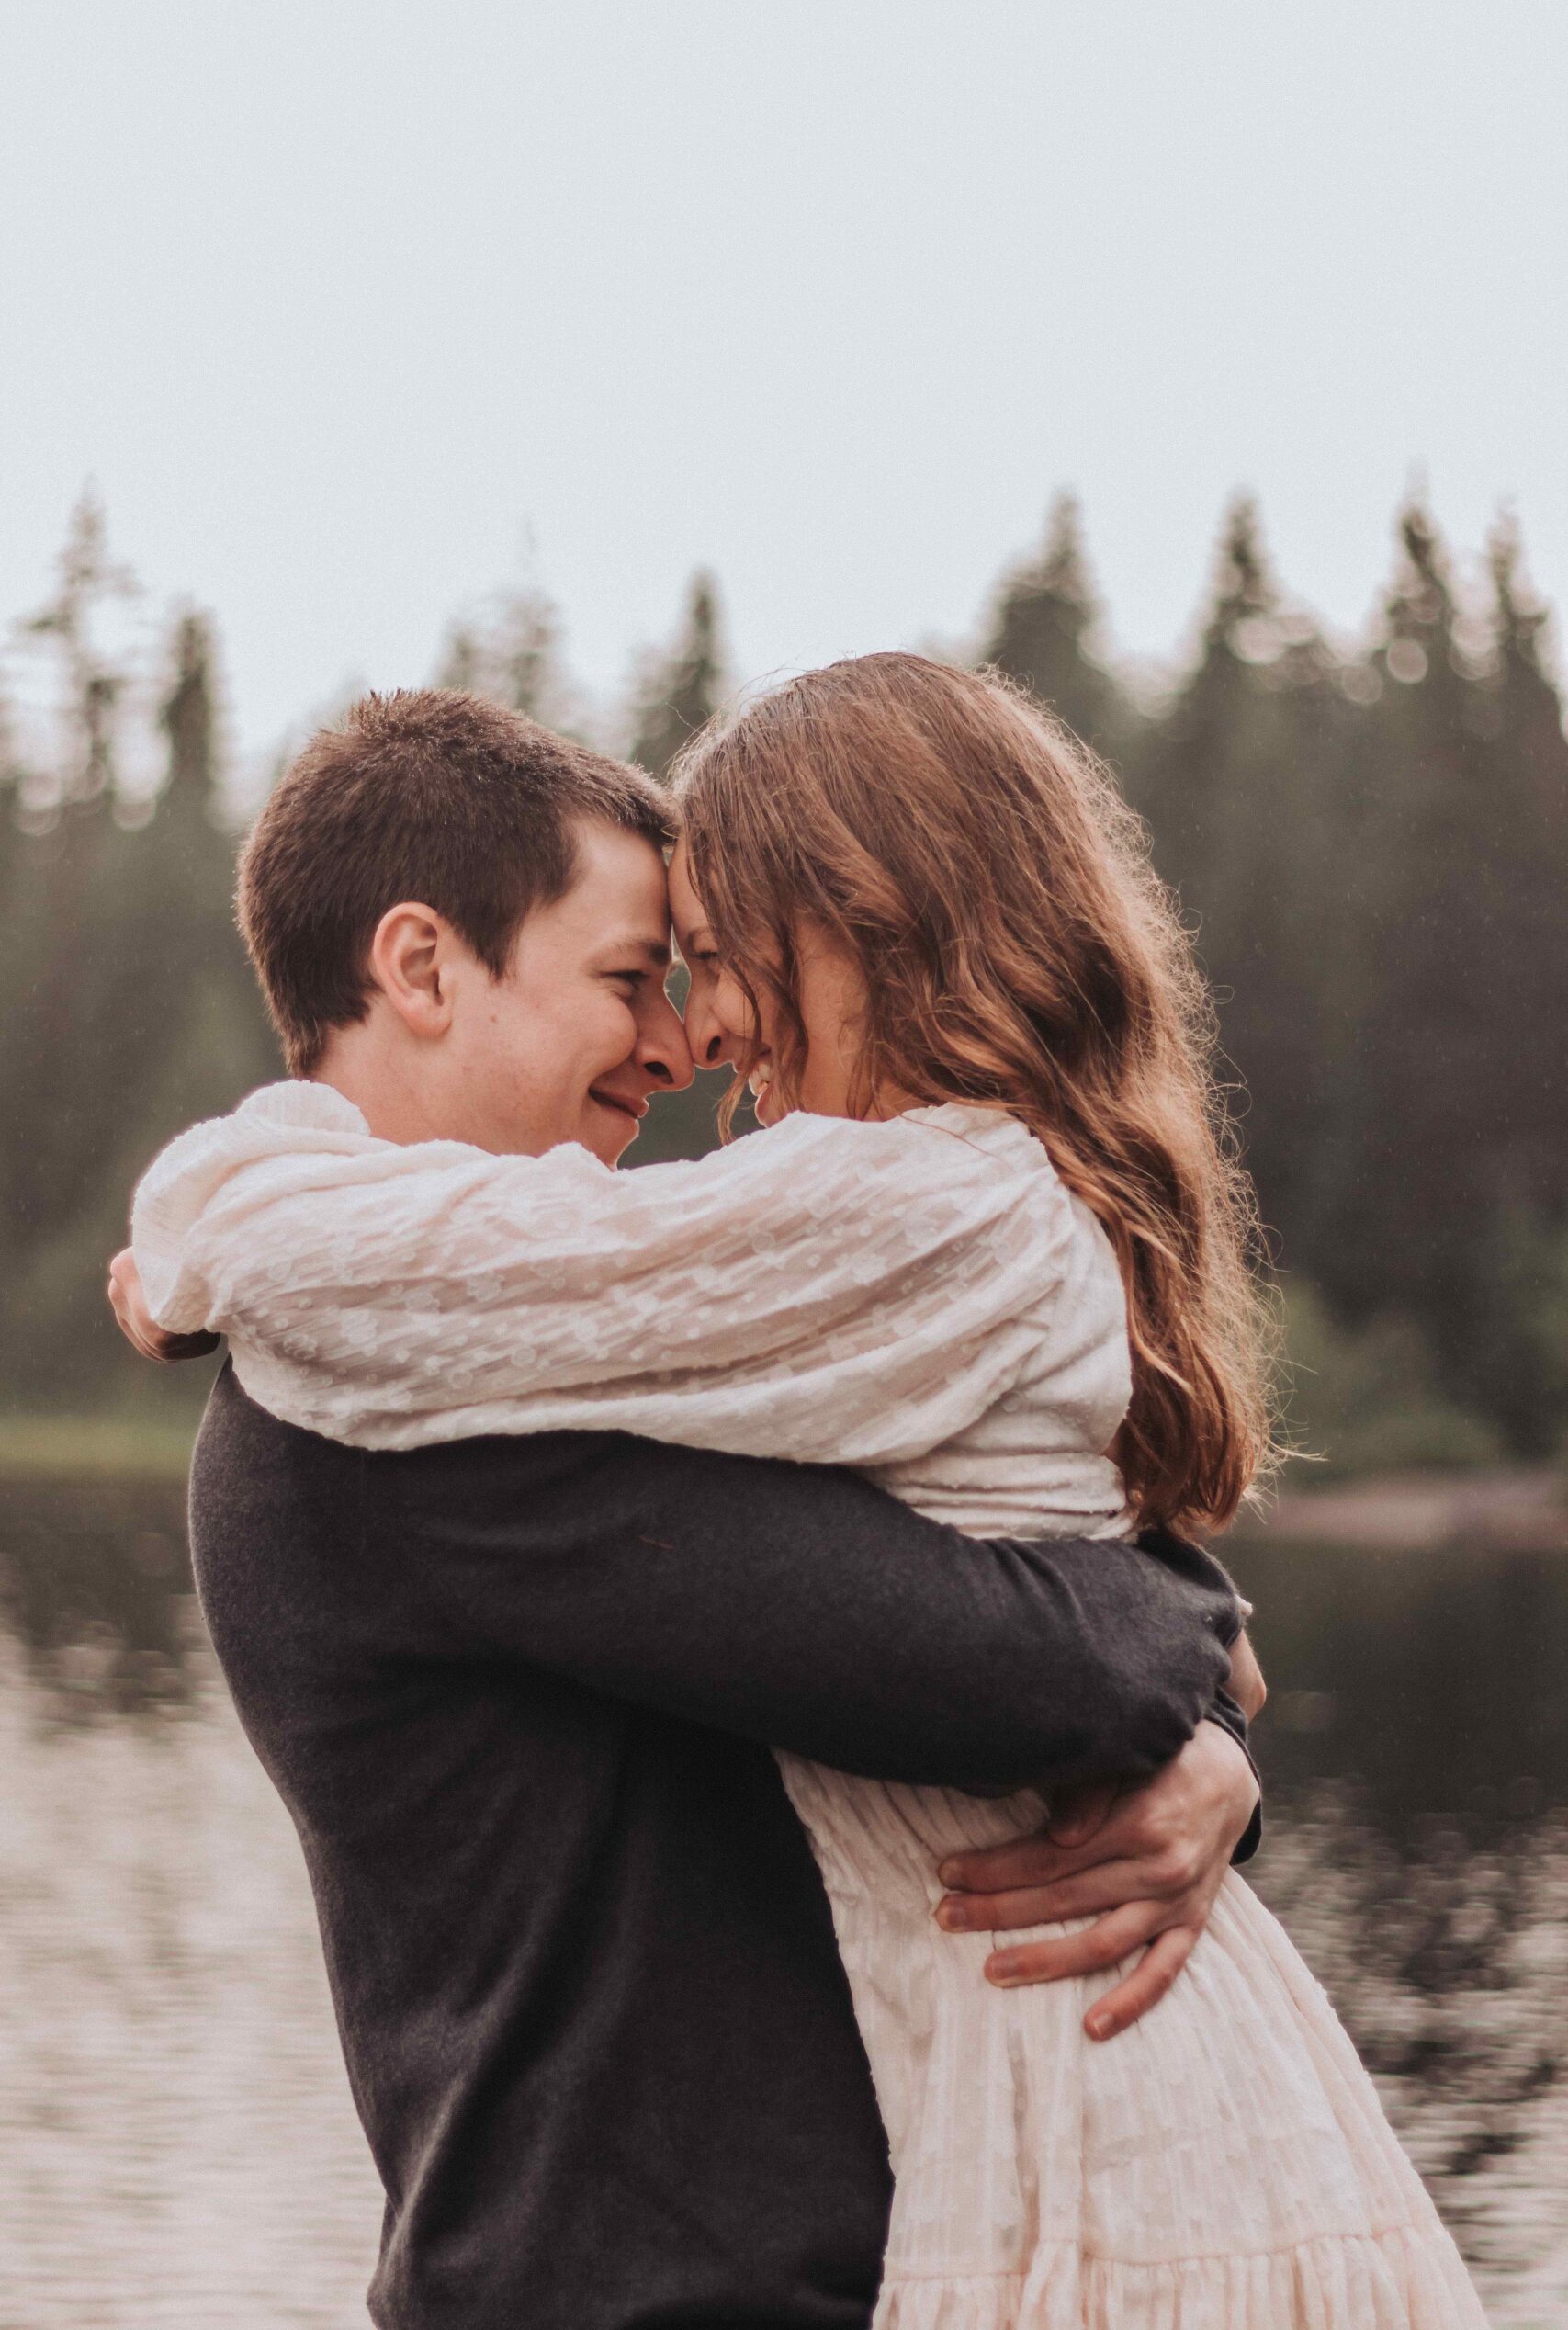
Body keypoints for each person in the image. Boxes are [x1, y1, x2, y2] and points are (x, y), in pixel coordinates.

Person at [119, 664, 1485, 2326]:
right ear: (420, 965)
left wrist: (1206, 1726)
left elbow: (987, 1556)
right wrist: (1189, 1672)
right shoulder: (400, 1427)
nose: (681, 1047)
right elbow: (1018, 1664)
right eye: (633, 977)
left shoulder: (559, 1355)